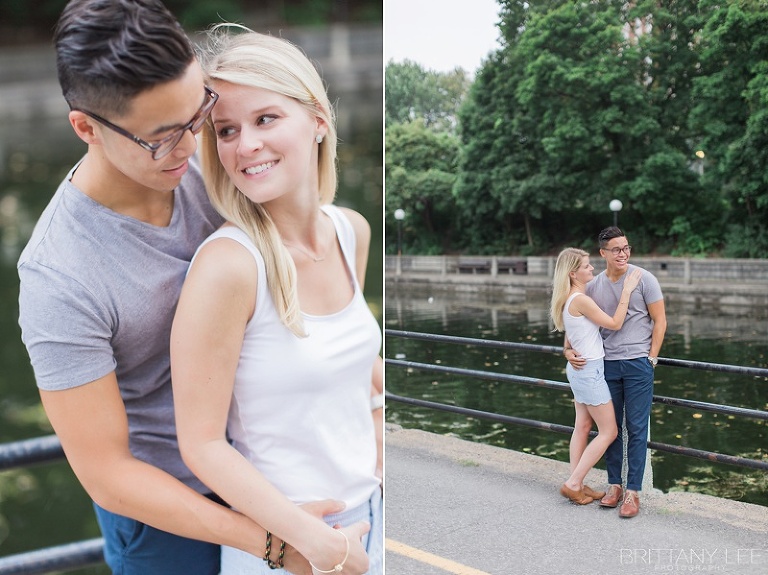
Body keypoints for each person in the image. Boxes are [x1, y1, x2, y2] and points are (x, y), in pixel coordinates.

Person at [17, 1, 341, 573]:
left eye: (199, 117)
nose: (194, 150)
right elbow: (108, 473)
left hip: (276, 465)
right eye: (161, 138)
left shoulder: (221, 158)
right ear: (86, 127)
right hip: (169, 512)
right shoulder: (59, 277)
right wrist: (266, 539)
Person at [170, 26, 382, 575]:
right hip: (287, 548)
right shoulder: (228, 266)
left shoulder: (350, 231)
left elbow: (364, 379)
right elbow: (202, 444)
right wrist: (315, 543)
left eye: (265, 119)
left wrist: (380, 474)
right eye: (227, 130)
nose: (245, 146)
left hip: (374, 521)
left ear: (317, 119)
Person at [565, 227, 667, 518]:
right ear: (603, 253)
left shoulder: (644, 279)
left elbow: (660, 321)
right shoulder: (593, 286)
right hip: (605, 365)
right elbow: (578, 322)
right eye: (616, 249)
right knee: (609, 430)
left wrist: (652, 358)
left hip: (637, 364)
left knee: (636, 427)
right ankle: (614, 485)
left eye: (626, 248)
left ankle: (633, 492)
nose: (623, 254)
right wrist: (567, 350)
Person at [551, 248, 642, 505]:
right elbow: (614, 323)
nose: (593, 269)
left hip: (580, 370)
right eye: (587, 266)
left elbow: (571, 336)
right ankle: (573, 484)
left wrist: (567, 350)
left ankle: (576, 482)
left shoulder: (570, 297)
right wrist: (627, 290)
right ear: (573, 273)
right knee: (609, 431)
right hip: (589, 371)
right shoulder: (580, 299)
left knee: (582, 426)